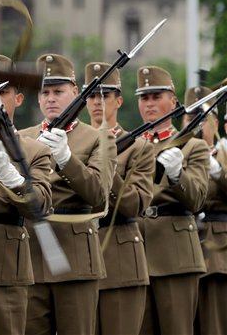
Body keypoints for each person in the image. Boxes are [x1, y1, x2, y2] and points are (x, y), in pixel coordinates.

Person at [18, 53, 116, 335]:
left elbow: (98, 194)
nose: (51, 98)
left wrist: (66, 158)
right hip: (31, 257)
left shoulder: (98, 137)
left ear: (76, 93)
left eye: (58, 91)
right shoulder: (22, 138)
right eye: (45, 92)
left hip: (75, 256)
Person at [0, 54, 52, 335]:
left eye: (2, 91)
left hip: (5, 270)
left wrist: (14, 179)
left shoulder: (34, 151)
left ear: (18, 98)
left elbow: (39, 206)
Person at [134, 67, 208, 335]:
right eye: (144, 98)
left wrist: (178, 175)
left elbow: (198, 199)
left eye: (156, 96)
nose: (150, 104)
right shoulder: (132, 146)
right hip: (136, 255)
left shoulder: (192, 146)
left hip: (175, 254)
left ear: (174, 101)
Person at [83, 62, 153, 334]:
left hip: (120, 259)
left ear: (119, 101)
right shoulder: (72, 145)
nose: (97, 102)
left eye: (105, 95)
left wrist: (108, 165)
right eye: (91, 96)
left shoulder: (139, 147)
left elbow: (134, 204)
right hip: (80, 256)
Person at [182, 86, 227, 335]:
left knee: (214, 324)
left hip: (216, 251)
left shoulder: (224, 154)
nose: (197, 124)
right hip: (181, 249)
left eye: (203, 117)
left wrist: (219, 171)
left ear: (216, 121)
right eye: (191, 118)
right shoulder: (176, 156)